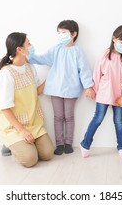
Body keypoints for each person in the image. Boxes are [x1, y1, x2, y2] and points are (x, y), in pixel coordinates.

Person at [28, 20, 95, 155]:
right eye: (59, 33)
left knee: (69, 116)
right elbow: (42, 59)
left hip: (71, 89)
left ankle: (68, 143)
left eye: (64, 32)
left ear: (74, 34)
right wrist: (29, 56)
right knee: (58, 116)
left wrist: (89, 86)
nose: (60, 35)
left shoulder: (77, 51)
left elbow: (84, 70)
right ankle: (59, 144)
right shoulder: (56, 49)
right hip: (55, 89)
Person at [0, 32, 54, 167]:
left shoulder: (30, 68)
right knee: (30, 160)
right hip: (14, 126)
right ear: (19, 49)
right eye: (28, 43)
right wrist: (22, 131)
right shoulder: (6, 74)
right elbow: (5, 108)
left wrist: (52, 77)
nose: (31, 46)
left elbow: (36, 91)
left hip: (32, 122)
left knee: (48, 154)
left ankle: (25, 145)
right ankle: (9, 143)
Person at [80, 25, 122, 160]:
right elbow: (97, 72)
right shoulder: (105, 55)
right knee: (98, 118)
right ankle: (85, 144)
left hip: (119, 95)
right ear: (114, 39)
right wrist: (93, 88)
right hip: (104, 92)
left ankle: (121, 147)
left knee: (119, 121)